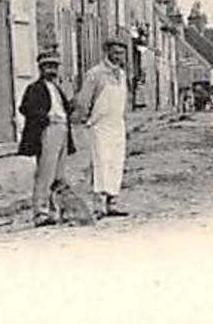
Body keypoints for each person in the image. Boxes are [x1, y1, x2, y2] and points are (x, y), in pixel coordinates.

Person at [19, 48, 76, 226]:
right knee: (45, 173)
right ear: (40, 69)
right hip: (48, 130)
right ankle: (40, 212)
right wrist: (44, 117)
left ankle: (54, 210)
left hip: (63, 129)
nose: (51, 70)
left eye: (54, 67)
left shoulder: (58, 88)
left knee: (59, 174)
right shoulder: (35, 88)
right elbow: (25, 108)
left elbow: (65, 108)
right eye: (47, 67)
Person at [75, 38, 131, 217]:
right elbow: (84, 100)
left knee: (116, 162)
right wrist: (85, 120)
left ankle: (112, 202)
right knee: (101, 163)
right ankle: (98, 205)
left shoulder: (122, 75)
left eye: (121, 53)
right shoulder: (95, 74)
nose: (118, 56)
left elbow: (123, 101)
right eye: (115, 52)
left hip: (117, 124)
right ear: (107, 52)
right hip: (100, 125)